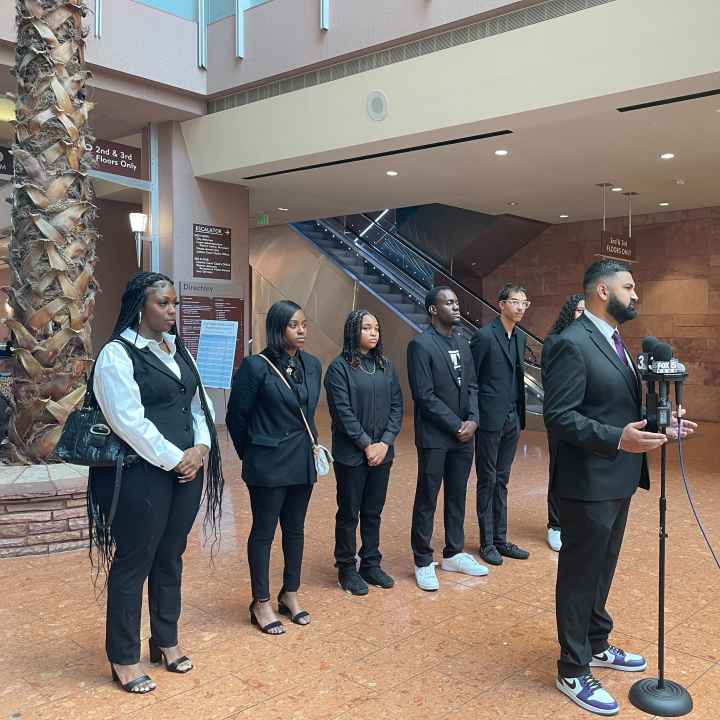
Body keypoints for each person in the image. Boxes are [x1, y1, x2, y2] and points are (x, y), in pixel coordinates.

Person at [543, 259, 696, 716]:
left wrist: (659, 428)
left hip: (618, 478)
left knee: (602, 569)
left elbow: (613, 407)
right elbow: (560, 416)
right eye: (629, 287)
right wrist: (617, 439)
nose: (636, 294)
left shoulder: (614, 341)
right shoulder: (571, 343)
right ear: (602, 291)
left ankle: (596, 642)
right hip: (586, 481)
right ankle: (572, 669)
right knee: (578, 576)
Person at [89, 272, 224, 694]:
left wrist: (201, 449)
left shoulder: (178, 350)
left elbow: (200, 407)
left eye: (174, 304)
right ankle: (123, 657)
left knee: (171, 556)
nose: (171, 311)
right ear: (140, 306)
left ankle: (165, 640)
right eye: (163, 303)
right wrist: (175, 459)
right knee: (134, 561)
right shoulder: (117, 355)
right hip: (140, 475)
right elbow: (129, 422)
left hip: (187, 472)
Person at [226, 300, 321, 635]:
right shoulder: (255, 367)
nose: (302, 331)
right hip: (267, 464)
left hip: (301, 461)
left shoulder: (312, 365)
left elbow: (307, 414)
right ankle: (261, 601)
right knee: (264, 532)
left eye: (304, 324)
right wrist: (251, 455)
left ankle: (289, 593)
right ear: (279, 328)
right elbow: (236, 418)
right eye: (294, 325)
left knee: (295, 529)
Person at [407, 286, 487, 592]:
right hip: (436, 437)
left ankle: (454, 552)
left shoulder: (462, 343)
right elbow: (424, 396)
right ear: (432, 309)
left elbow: (473, 387)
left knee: (457, 494)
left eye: (456, 302)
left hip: (464, 436)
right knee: (427, 497)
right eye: (449, 303)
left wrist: (474, 420)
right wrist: (457, 425)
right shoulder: (420, 345)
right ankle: (423, 560)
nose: (456, 307)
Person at [324, 310, 403, 596]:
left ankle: (371, 563)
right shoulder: (339, 368)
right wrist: (367, 444)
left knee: (373, 511)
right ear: (353, 331)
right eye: (367, 328)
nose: (373, 333)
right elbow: (342, 412)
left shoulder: (385, 366)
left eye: (376, 328)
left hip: (382, 453)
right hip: (352, 455)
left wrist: (384, 443)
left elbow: (397, 406)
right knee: (349, 512)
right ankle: (346, 567)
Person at [470, 283, 531, 566]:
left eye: (524, 303)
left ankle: (501, 539)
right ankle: (487, 542)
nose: (520, 307)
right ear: (501, 304)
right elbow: (473, 381)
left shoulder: (519, 338)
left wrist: (518, 414)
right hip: (489, 418)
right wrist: (475, 416)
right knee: (488, 478)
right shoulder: (484, 336)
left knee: (503, 479)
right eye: (515, 302)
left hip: (511, 418)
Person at [542, 293, 585, 552]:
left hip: (585, 419)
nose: (581, 315)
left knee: (579, 470)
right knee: (559, 470)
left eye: (585, 311)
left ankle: (573, 521)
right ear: (569, 313)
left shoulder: (590, 342)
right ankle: (555, 525)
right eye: (578, 310)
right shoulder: (555, 342)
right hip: (561, 417)